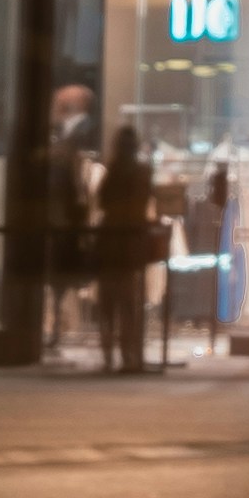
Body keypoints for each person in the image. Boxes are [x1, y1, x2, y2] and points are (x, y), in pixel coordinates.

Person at [93, 122, 158, 374]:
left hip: (110, 240)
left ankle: (108, 353)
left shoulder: (112, 172)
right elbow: (147, 200)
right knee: (130, 301)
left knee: (108, 301)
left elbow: (102, 202)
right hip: (133, 241)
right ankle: (130, 354)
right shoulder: (143, 172)